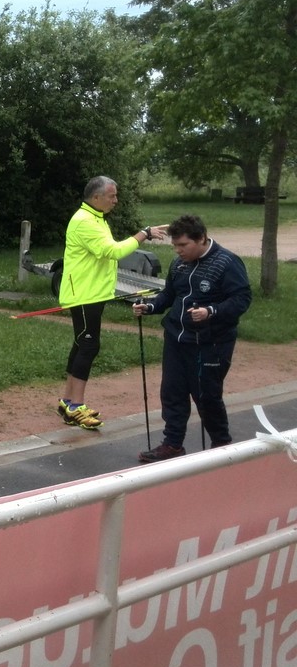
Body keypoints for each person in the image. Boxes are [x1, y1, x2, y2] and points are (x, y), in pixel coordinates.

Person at [133, 215, 252, 462]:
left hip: (211, 343)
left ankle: (222, 445)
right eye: (175, 246)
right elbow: (169, 295)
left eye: (183, 245)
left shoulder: (227, 262)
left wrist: (211, 312)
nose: (178, 251)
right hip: (177, 338)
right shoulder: (179, 265)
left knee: (207, 396)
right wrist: (151, 307)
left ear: (201, 239)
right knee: (172, 393)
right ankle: (173, 444)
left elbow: (241, 299)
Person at [58, 176, 169, 430]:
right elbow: (114, 251)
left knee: (82, 344)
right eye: (112, 195)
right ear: (96, 197)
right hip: (85, 295)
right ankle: (76, 405)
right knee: (88, 345)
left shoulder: (95, 217)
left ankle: (67, 401)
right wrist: (144, 234)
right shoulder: (85, 221)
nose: (116, 200)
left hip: (92, 293)